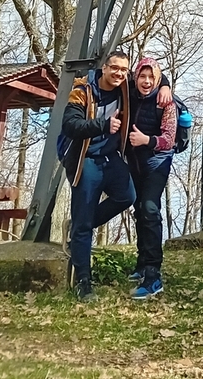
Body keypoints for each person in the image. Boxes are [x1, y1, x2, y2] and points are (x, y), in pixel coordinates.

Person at [61, 50, 136, 302]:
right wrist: (103, 125)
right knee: (83, 222)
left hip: (110, 157)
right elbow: (70, 125)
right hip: (86, 158)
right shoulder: (82, 90)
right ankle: (83, 281)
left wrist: (166, 84)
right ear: (104, 68)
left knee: (127, 196)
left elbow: (151, 77)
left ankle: (79, 227)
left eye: (123, 70)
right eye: (114, 68)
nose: (119, 73)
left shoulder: (125, 88)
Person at [127, 56, 177, 300]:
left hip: (157, 161)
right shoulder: (129, 93)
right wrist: (165, 81)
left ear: (156, 79)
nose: (146, 81)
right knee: (139, 208)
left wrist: (146, 140)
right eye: (142, 76)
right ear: (136, 77)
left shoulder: (165, 102)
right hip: (134, 161)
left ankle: (153, 274)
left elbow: (169, 139)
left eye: (152, 77)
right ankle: (142, 262)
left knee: (149, 208)